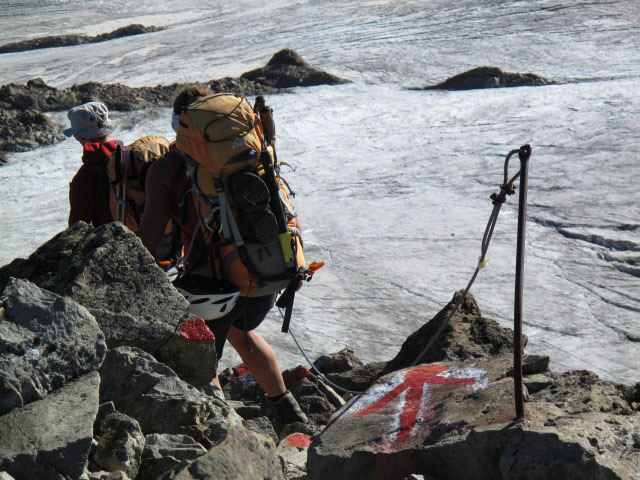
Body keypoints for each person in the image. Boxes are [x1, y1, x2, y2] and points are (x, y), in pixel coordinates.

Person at [135, 86, 308, 430]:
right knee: (241, 333)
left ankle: (222, 429)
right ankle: (289, 411)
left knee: (201, 350)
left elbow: (149, 238)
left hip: (212, 287)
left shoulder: (167, 168)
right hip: (265, 272)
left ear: (182, 124)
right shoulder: (254, 153)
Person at [64, 102, 119, 227]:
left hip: (112, 242)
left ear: (78, 136)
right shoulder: (130, 156)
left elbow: (77, 229)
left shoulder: (84, 178)